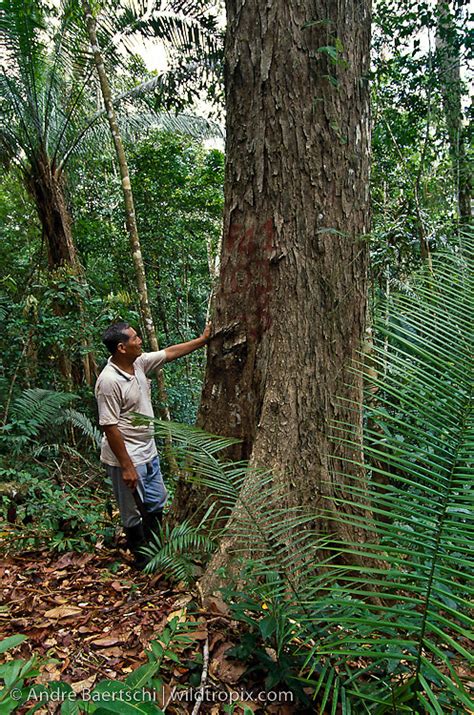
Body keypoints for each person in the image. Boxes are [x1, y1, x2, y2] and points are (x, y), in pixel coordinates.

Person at [95, 321, 211, 569]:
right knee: (131, 511)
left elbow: (169, 352)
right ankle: (142, 561)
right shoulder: (108, 381)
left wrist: (203, 340)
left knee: (156, 500)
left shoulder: (138, 363)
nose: (140, 341)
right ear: (121, 347)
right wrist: (127, 467)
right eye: (135, 338)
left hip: (148, 451)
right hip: (125, 457)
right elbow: (109, 426)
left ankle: (156, 550)